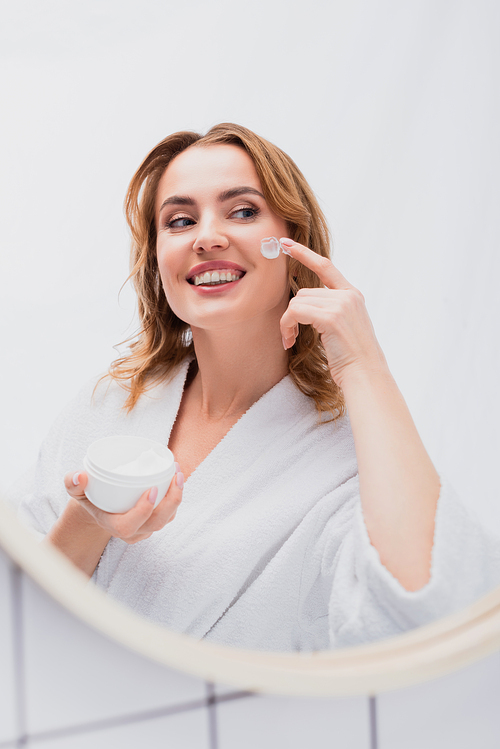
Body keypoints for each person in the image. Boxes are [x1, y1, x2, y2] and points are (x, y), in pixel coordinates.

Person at [17, 123, 500, 651]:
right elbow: (16, 617)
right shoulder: (108, 406)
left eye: (243, 211)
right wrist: (87, 523)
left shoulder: (349, 455)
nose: (206, 237)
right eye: (179, 221)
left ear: (294, 246)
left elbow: (436, 619)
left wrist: (365, 364)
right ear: (158, 263)